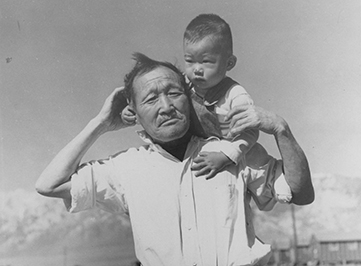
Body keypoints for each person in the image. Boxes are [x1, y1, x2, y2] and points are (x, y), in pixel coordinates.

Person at [35, 53, 314, 266]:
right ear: (134, 112)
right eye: (151, 99)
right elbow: (49, 185)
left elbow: (300, 193)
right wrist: (101, 122)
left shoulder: (232, 151)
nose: (166, 107)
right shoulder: (126, 169)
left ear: (188, 98)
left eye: (173, 93)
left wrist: (281, 129)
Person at [123, 14, 258, 180]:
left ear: (229, 63)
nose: (197, 69)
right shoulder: (186, 83)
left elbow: (250, 134)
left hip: (233, 149)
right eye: (190, 61)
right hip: (196, 150)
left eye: (206, 61)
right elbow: (150, 90)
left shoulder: (236, 95)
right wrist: (129, 111)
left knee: (261, 167)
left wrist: (226, 156)